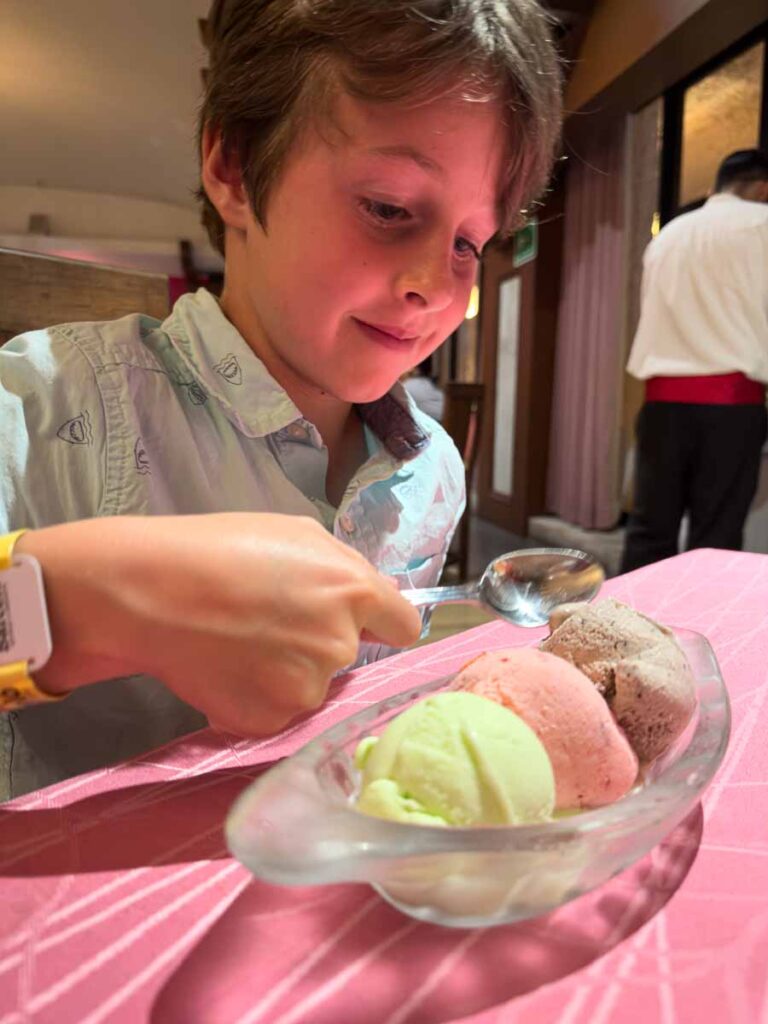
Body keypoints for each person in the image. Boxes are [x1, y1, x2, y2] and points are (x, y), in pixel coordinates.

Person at [0, 0, 562, 799]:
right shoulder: (47, 402)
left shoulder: (431, 472)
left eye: (470, 242)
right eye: (389, 208)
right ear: (234, 167)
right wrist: (97, 603)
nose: (438, 286)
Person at [621, 149, 768, 574]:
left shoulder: (669, 234)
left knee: (649, 531)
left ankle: (628, 630)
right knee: (716, 537)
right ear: (761, 188)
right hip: (732, 406)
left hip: (662, 405)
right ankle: (705, 634)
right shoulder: (761, 225)